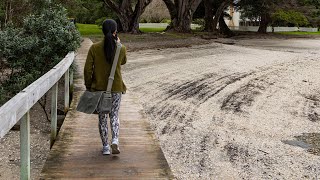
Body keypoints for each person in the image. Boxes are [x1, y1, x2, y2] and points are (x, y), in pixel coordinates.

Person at [84, 19, 127, 155]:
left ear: (103, 31)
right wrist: (118, 45)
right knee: (114, 114)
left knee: (102, 117)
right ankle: (115, 139)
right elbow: (123, 61)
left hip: (99, 88)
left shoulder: (94, 48)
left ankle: (106, 147)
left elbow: (87, 69)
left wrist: (89, 85)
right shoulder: (121, 48)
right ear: (115, 32)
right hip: (116, 88)